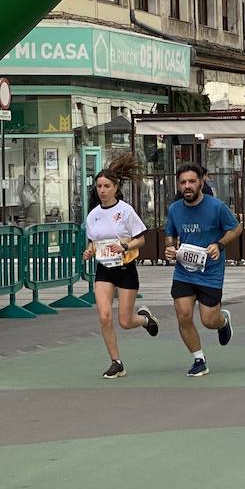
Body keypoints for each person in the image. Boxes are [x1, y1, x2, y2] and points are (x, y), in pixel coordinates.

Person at [82, 154, 159, 379]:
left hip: (125, 269)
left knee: (125, 321)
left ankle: (145, 320)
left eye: (106, 186)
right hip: (104, 270)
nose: (102, 190)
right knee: (104, 316)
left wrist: (124, 245)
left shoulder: (125, 211)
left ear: (115, 187)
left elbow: (141, 239)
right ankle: (116, 362)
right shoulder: (93, 215)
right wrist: (89, 251)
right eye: (99, 186)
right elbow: (93, 242)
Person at [163, 163, 241, 377]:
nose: (187, 186)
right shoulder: (174, 209)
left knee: (208, 321)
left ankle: (222, 322)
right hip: (184, 272)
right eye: (183, 182)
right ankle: (199, 359)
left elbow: (236, 228)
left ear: (201, 182)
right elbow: (170, 232)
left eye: (191, 181)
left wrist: (219, 245)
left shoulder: (216, 207)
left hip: (210, 273)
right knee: (183, 315)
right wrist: (170, 248)